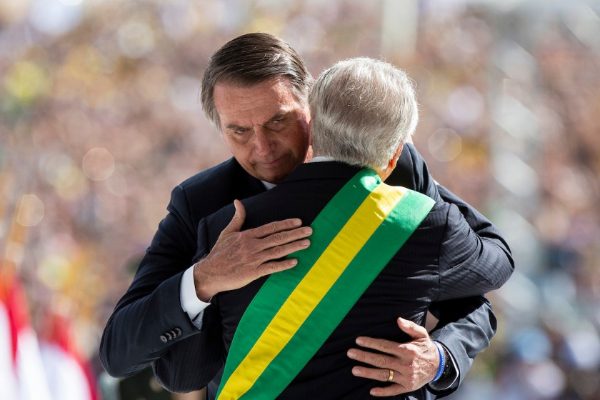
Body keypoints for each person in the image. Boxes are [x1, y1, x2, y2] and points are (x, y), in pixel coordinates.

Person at [99, 33, 513, 398]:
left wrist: (439, 358)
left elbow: (478, 288)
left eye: (278, 121)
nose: (262, 147)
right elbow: (120, 350)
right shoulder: (202, 202)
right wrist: (205, 279)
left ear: (310, 105)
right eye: (239, 131)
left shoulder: (393, 164)